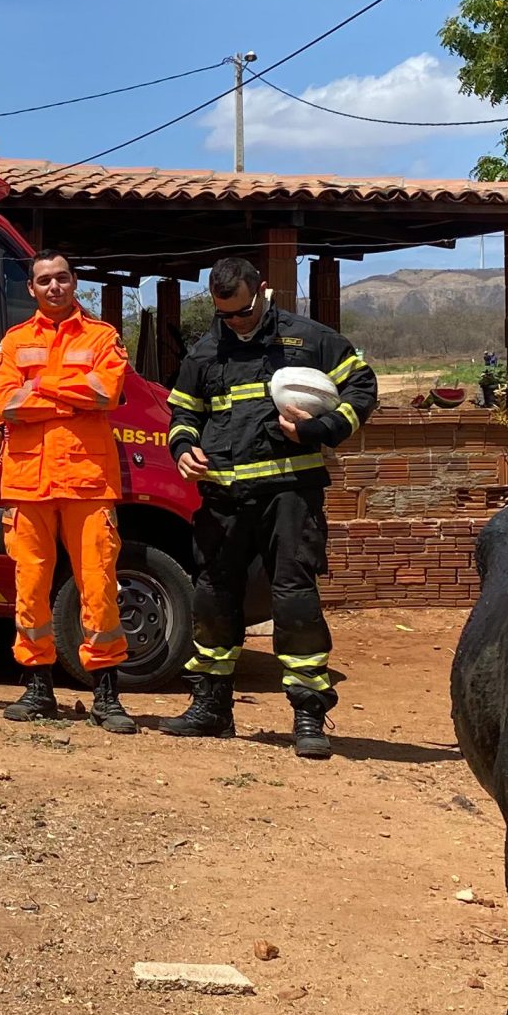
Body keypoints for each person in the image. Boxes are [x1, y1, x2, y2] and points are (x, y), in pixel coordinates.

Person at [162, 256, 378, 758]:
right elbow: (182, 413)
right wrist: (182, 449)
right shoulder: (206, 350)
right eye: (224, 315)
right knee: (212, 597)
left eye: (241, 312)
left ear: (263, 290)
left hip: (289, 495)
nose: (234, 323)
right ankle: (211, 707)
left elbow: (362, 388)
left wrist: (320, 430)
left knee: (293, 599)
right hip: (222, 497)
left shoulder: (308, 339)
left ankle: (307, 714)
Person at [0, 251, 137, 732]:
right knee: (29, 587)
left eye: (62, 278)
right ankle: (37, 689)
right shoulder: (14, 340)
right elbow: (7, 404)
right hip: (28, 483)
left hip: (88, 481)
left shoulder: (103, 336)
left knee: (99, 585)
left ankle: (107, 695)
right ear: (31, 289)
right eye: (43, 281)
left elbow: (106, 393)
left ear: (75, 283)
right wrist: (68, 396)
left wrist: (40, 387)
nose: (54, 287)